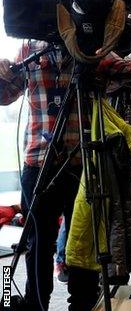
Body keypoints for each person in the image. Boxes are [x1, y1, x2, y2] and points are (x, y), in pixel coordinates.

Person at [0, 42, 83, 310]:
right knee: (37, 243)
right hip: (38, 161)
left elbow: (128, 71)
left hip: (81, 161)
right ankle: (35, 304)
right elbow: (5, 95)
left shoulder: (86, 43)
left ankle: (83, 303)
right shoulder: (29, 50)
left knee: (83, 241)